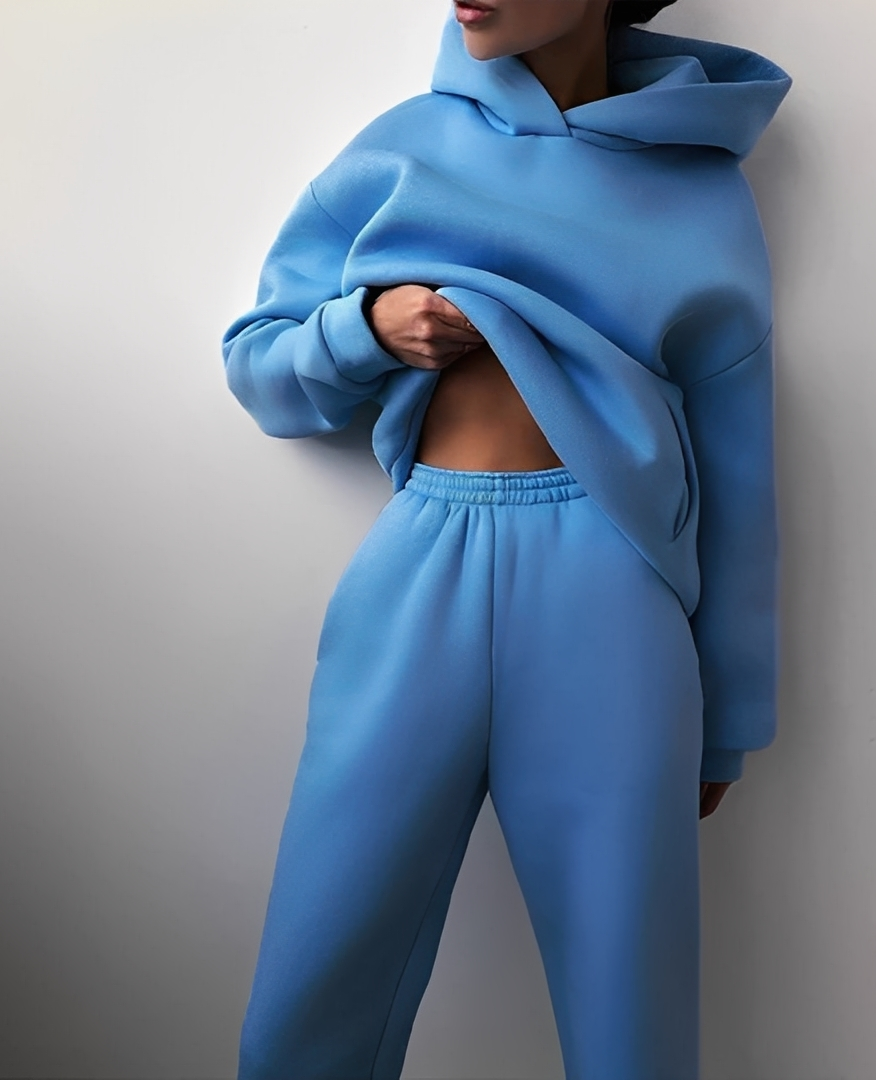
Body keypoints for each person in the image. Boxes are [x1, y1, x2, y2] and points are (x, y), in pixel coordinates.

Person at [222, 1, 791, 1076]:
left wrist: (730, 720)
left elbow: (741, 466)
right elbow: (260, 366)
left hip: (613, 594)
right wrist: (365, 328)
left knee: (629, 1008)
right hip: (417, 573)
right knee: (316, 976)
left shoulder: (702, 190)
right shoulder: (399, 150)